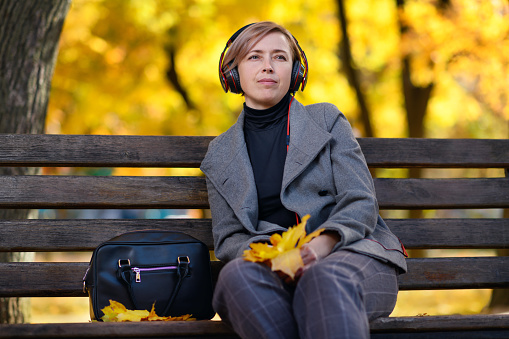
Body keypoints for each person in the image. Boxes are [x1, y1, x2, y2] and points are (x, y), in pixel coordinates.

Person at [200, 21, 407, 339]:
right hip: (273, 271)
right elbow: (229, 239)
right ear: (233, 73)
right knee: (233, 280)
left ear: (296, 72)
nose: (267, 66)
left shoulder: (326, 120)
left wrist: (323, 244)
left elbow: (360, 199)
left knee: (321, 280)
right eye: (254, 57)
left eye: (280, 57)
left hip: (351, 257)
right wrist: (275, 259)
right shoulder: (219, 153)